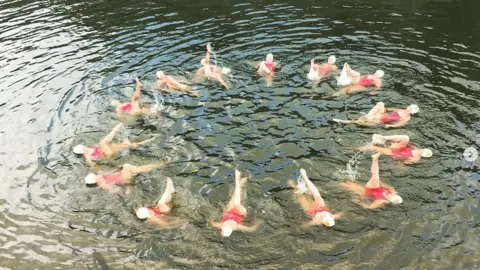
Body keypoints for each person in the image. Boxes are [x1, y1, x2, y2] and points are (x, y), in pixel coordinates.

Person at [73, 123, 155, 168]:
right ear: (82, 152)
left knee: (124, 144)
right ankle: (116, 129)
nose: (85, 148)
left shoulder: (88, 148)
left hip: (107, 150)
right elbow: (95, 166)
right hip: (107, 153)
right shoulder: (88, 157)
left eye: (83, 147)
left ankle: (147, 140)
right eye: (83, 148)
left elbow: (96, 148)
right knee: (105, 143)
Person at [209, 170, 262, 237]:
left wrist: (212, 217)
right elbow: (251, 229)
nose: (228, 225)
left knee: (234, 197)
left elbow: (212, 223)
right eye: (229, 227)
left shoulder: (220, 225)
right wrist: (260, 221)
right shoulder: (237, 227)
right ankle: (237, 179)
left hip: (229, 212)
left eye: (226, 226)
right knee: (236, 203)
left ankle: (241, 183)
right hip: (240, 214)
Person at [84, 160, 169, 190]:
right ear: (96, 181)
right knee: (127, 166)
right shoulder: (103, 184)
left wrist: (117, 169)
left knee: (139, 168)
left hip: (122, 175)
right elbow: (114, 190)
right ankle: (162, 163)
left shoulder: (101, 178)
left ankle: (161, 164)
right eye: (95, 176)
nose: (96, 175)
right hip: (125, 179)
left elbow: (110, 174)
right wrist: (127, 189)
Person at [356, 134, 432, 164]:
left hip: (394, 153)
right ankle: (384, 138)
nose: (421, 151)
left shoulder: (416, 158)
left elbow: (405, 162)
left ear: (422, 156)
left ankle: (353, 148)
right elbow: (409, 146)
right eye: (423, 150)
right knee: (406, 138)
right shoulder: (417, 149)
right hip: (399, 149)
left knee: (372, 147)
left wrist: (396, 162)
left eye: (422, 153)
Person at [333, 102, 419, 128]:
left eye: (410, 109)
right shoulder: (401, 110)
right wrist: (385, 109)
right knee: (381, 104)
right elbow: (390, 109)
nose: (408, 108)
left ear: (411, 112)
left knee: (359, 121)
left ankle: (345, 122)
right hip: (382, 115)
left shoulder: (407, 117)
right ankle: (369, 115)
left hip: (380, 120)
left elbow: (399, 124)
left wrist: (389, 125)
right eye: (409, 107)